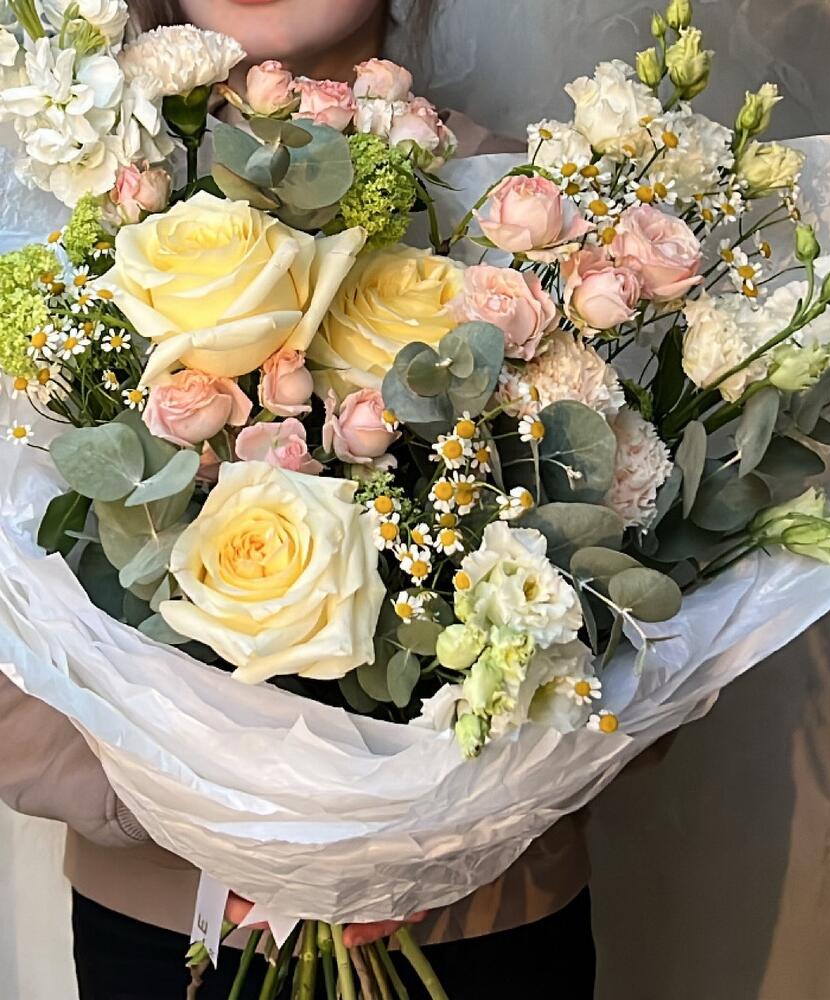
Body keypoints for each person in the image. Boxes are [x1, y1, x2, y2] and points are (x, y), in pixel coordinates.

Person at [0, 1, 595, 997]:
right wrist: (198, 813)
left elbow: (656, 601)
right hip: (165, 923)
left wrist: (443, 825)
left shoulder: (535, 212)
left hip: (485, 916)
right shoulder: (68, 203)